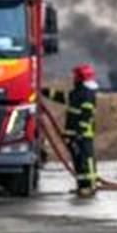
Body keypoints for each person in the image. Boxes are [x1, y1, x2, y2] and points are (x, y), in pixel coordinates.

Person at [42, 64, 98, 198]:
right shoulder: (78, 92)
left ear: (80, 77)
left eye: (75, 76)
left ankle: (89, 186)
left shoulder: (86, 93)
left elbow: (86, 115)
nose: (73, 78)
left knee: (85, 160)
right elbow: (64, 97)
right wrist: (44, 91)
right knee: (78, 160)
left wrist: (79, 133)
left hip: (82, 134)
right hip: (75, 133)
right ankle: (81, 186)